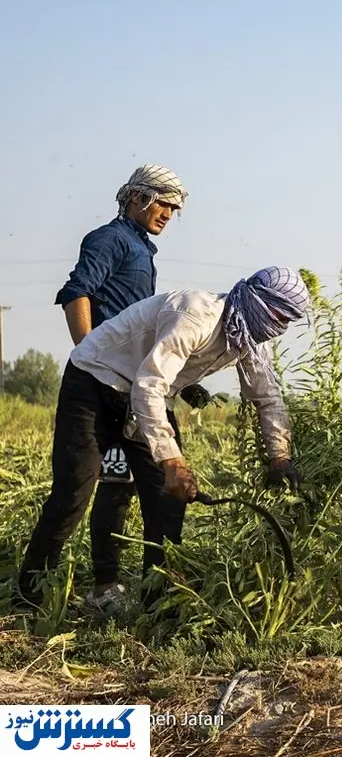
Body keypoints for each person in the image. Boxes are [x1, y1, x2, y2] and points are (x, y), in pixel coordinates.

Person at [15, 267, 309, 610]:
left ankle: (158, 603)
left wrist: (280, 458)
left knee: (167, 501)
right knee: (73, 492)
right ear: (257, 301)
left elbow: (268, 399)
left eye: (289, 320)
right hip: (95, 379)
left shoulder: (246, 340)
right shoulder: (196, 314)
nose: (281, 326)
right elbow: (150, 384)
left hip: (143, 395)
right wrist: (172, 460)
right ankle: (28, 594)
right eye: (279, 314)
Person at [53, 164, 212, 616]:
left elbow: (153, 336)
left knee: (161, 483)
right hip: (103, 384)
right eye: (163, 203)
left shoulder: (143, 248)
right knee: (112, 485)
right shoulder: (110, 239)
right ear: (138, 197)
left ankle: (158, 590)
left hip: (135, 385)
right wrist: (87, 352)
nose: (168, 214)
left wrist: (188, 383)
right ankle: (104, 586)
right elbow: (77, 292)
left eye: (175, 208)